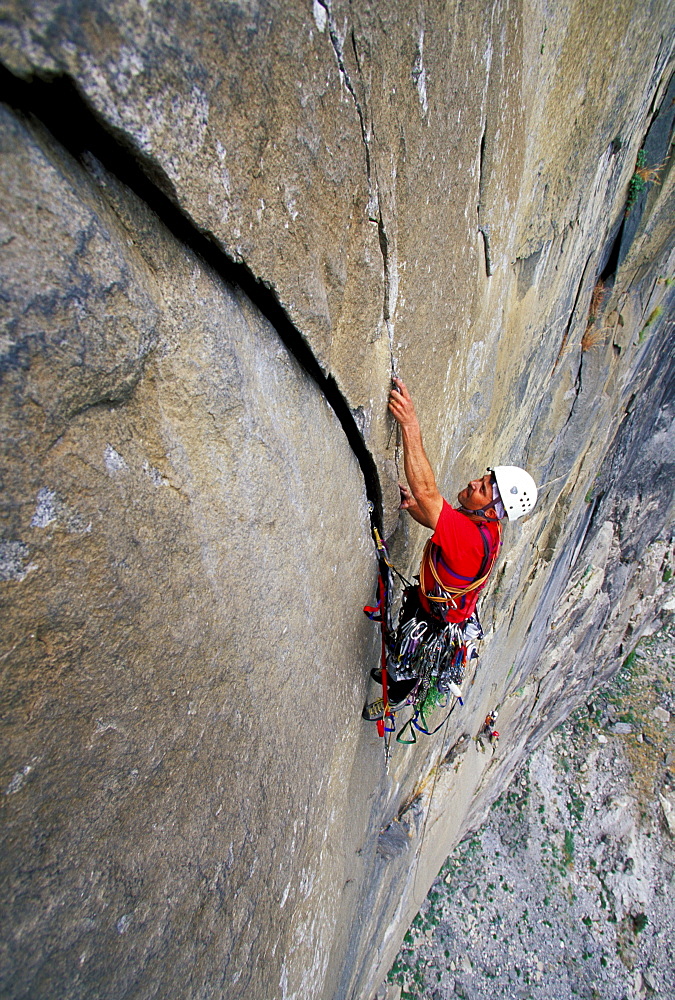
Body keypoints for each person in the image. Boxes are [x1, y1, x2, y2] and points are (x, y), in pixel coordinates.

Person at [363, 378, 538, 722]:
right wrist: (415, 506)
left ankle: (393, 698)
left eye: (485, 488)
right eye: (484, 478)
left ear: (492, 510)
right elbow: (434, 516)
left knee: (408, 660)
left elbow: (429, 494)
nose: (475, 482)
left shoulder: (473, 538)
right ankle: (393, 680)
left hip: (436, 618)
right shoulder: (481, 526)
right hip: (441, 608)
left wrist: (410, 425)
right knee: (404, 648)